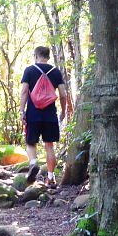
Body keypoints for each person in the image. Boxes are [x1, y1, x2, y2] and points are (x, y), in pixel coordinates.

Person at [19, 46, 70, 189]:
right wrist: (63, 111)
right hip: (50, 114)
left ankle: (33, 163)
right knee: (49, 146)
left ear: (35, 56)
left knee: (30, 143)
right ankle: (51, 177)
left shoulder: (29, 70)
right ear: (48, 56)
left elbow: (24, 92)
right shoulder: (55, 72)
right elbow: (63, 94)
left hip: (33, 114)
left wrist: (22, 111)